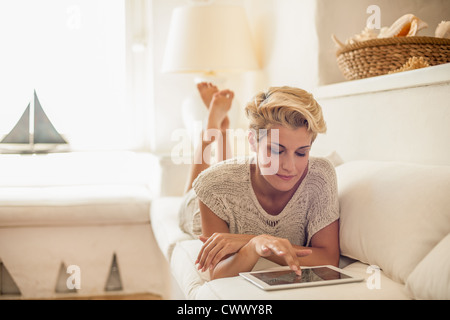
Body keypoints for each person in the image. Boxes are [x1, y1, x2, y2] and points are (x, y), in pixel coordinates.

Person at [178, 82, 339, 280]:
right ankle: (208, 135)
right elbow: (218, 274)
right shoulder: (211, 185)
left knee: (225, 177)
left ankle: (221, 130)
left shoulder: (320, 176)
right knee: (203, 187)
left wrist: (258, 244)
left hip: (231, 180)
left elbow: (330, 259)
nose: (290, 166)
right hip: (197, 205)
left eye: (301, 152)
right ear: (253, 141)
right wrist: (256, 244)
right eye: (276, 150)